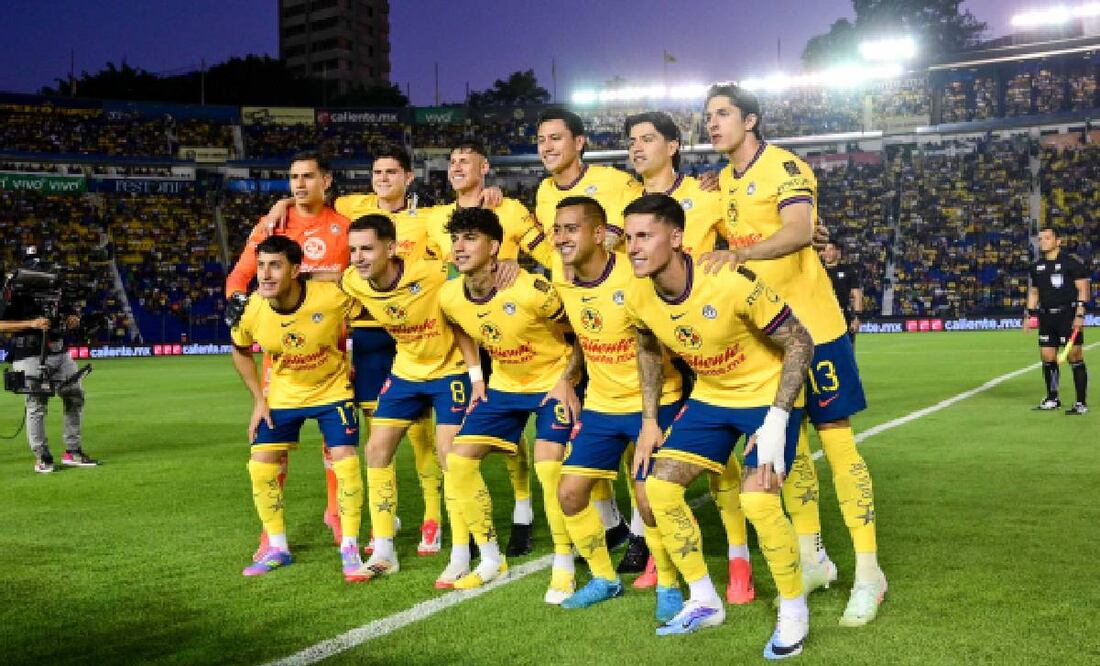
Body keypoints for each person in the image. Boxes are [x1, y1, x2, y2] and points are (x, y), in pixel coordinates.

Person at [701, 83, 887, 627]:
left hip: (818, 329)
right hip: (769, 335)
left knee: (840, 447)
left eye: (723, 114)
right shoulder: (722, 183)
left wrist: (740, 253)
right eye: (707, 116)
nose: (712, 123)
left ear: (751, 120)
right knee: (792, 452)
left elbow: (802, 229)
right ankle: (814, 559)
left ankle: (870, 573)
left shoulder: (784, 167)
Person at [623, 194, 813, 658]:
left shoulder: (727, 280)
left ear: (676, 238)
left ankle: (793, 609)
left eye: (644, 236)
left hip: (770, 396)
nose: (632, 247)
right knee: (659, 488)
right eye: (628, 237)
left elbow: (800, 340)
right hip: (712, 395)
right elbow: (648, 346)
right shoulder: (638, 294)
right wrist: (650, 421)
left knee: (757, 498)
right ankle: (704, 599)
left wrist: (778, 416)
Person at [624, 111, 753, 601]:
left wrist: (822, 245)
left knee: (719, 462)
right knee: (650, 454)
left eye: (647, 139)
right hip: (653, 339)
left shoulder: (707, 193)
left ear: (673, 145)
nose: (637, 148)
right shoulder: (618, 196)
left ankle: (738, 562)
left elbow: (753, 234)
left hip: (710, 347)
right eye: (631, 141)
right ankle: (662, 554)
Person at [550, 196, 684, 618]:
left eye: (570, 228)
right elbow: (582, 339)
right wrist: (568, 377)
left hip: (654, 402)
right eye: (557, 229)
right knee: (569, 493)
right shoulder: (565, 280)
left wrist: (650, 421)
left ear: (597, 233)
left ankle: (668, 583)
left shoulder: (635, 275)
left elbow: (654, 346)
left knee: (648, 502)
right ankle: (605, 579)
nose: (561, 238)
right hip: (602, 407)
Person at [437, 206, 581, 589]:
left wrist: (568, 379)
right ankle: (489, 559)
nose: (460, 247)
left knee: (549, 467)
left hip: (552, 380)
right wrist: (476, 377)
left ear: (495, 246)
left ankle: (564, 560)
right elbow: (462, 329)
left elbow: (581, 331)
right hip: (503, 386)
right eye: (456, 239)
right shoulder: (450, 296)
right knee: (459, 461)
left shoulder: (531, 289)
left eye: (470, 238)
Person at [426, 139, 557, 556]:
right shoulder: (434, 219)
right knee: (470, 438)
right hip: (470, 331)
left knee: (536, 438)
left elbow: (552, 256)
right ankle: (463, 537)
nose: (457, 166)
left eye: (466, 160)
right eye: (452, 160)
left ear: (485, 167)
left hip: (525, 326)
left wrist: (523, 264)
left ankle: (524, 509)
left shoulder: (510, 209)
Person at [339, 214, 485, 583]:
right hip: (405, 371)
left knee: (448, 455)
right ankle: (384, 551)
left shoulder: (433, 274)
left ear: (391, 248)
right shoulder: (353, 282)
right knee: (376, 450)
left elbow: (461, 319)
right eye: (353, 249)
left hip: (448, 370)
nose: (357, 256)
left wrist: (475, 375)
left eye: (367, 248)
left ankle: (460, 553)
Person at [225, 150, 351, 555]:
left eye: (308, 177)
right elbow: (242, 275)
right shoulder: (273, 222)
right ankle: (271, 532)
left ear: (326, 181)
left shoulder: (343, 226)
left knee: (336, 443)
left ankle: (336, 513)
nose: (299, 185)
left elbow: (359, 277)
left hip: (334, 348)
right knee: (269, 447)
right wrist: (235, 303)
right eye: (293, 177)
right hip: (283, 355)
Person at [229, 236, 366, 582]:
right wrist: (258, 400)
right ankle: (277, 547)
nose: (266, 274)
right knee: (260, 465)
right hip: (282, 396)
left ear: (294, 270)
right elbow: (240, 349)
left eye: (275, 265)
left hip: (332, 391)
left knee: (346, 459)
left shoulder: (331, 297)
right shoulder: (252, 309)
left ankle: (349, 545)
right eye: (261, 266)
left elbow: (366, 292)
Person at [535, 107, 641, 547]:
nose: (547, 147)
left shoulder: (615, 183)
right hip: (573, 320)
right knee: (586, 436)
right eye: (541, 140)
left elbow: (654, 212)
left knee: (636, 434)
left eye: (556, 138)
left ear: (579, 142)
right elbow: (552, 250)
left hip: (621, 312)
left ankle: (641, 531)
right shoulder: (542, 193)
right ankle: (612, 522)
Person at [1, 246, 97, 474]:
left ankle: (72, 451)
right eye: (31, 265)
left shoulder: (55, 290)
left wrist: (73, 319)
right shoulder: (12, 292)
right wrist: (31, 324)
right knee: (37, 405)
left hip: (60, 352)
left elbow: (68, 314)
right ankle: (42, 456)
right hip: (30, 354)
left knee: (75, 396)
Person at [1024, 226, 1090, 414]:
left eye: (1047, 238)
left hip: (1067, 316)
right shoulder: (1036, 267)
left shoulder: (1072, 263)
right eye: (1040, 238)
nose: (1042, 241)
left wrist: (1079, 314)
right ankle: (1053, 398)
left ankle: (1080, 403)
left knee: (1074, 357)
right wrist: (1029, 313)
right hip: (1046, 317)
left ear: (1058, 241)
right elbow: (1034, 291)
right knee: (1047, 357)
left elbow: (1083, 289)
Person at [820, 241, 863, 344]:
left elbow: (857, 295)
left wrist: (857, 317)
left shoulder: (848, 270)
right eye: (824, 250)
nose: (827, 253)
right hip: (822, 316)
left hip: (843, 316)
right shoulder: (818, 271)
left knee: (847, 353)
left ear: (837, 252)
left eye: (830, 249)